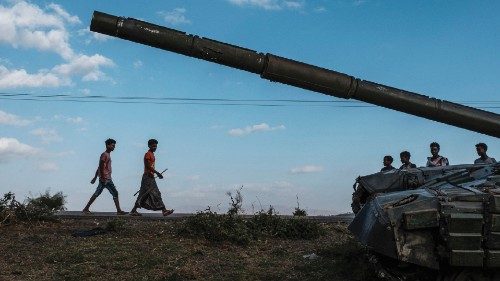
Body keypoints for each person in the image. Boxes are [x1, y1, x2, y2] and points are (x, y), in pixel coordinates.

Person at [130, 139, 174, 216]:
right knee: (147, 194)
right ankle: (163, 210)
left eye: (156, 146)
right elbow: (147, 166)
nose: (155, 147)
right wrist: (157, 173)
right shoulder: (148, 154)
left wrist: (155, 174)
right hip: (147, 177)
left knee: (147, 194)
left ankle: (163, 210)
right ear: (149, 146)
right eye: (153, 146)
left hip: (150, 177)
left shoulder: (152, 155)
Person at [82, 138, 127, 215]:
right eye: (112, 145)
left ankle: (86, 208)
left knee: (98, 193)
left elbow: (99, 167)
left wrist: (96, 177)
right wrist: (102, 178)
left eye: (114, 146)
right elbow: (100, 166)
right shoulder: (104, 155)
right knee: (114, 193)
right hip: (106, 178)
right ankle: (119, 211)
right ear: (108, 145)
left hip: (106, 178)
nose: (114, 147)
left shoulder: (107, 155)